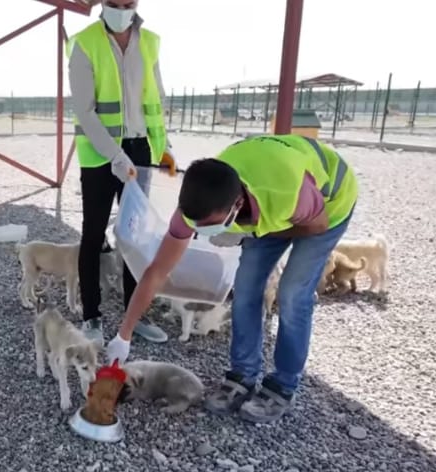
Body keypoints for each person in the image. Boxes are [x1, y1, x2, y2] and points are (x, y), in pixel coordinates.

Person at [105, 134, 360, 423]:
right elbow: (157, 272)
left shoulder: (286, 191)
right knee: (246, 289)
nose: (203, 231)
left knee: (292, 294)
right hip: (261, 211)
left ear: (237, 204)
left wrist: (255, 232)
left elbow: (317, 225)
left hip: (326, 206)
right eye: (198, 226)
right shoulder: (195, 206)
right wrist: (123, 335)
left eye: (212, 225)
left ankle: (283, 385)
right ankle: (243, 374)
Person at [67, 0, 177, 346]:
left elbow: (154, 104)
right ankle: (91, 317)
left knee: (137, 235)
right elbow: (85, 111)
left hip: (141, 149)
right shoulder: (85, 43)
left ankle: (135, 313)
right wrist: (114, 155)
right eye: (113, 3)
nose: (121, 9)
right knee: (94, 233)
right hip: (101, 154)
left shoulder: (150, 42)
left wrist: (165, 148)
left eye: (127, 3)